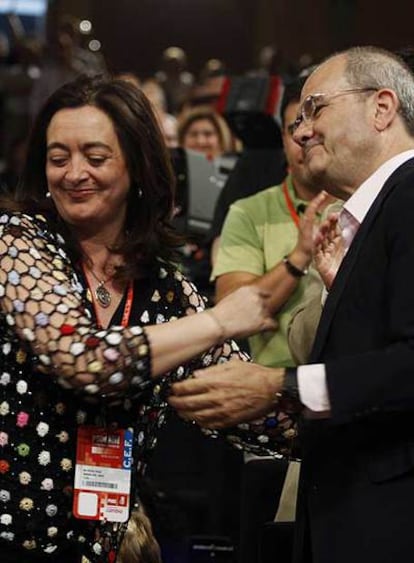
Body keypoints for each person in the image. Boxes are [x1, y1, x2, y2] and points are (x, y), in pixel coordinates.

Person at [0, 74, 281, 562]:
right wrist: (220, 321)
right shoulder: (17, 240)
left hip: (103, 547)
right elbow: (81, 359)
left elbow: (251, 409)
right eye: (58, 157)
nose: (73, 173)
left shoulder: (166, 288)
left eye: (96, 156)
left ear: (138, 165)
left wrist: (347, 397)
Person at [170, 45, 414, 563]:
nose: (301, 132)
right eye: (297, 117)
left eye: (315, 109)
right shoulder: (376, 213)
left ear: (382, 107)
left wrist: (280, 385)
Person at [212, 76, 327, 369]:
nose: (305, 136)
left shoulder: (370, 197)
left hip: (358, 381)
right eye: (294, 128)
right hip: (274, 389)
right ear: (283, 141)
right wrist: (298, 257)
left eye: (316, 124)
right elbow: (230, 311)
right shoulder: (248, 212)